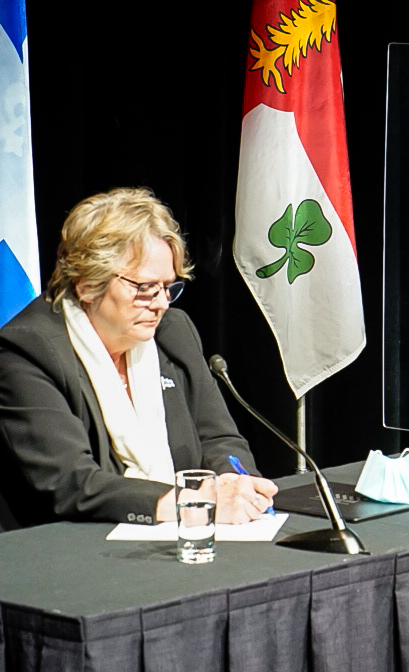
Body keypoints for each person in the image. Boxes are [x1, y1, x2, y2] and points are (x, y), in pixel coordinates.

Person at [0, 188, 278, 529]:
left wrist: (235, 484)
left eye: (168, 287)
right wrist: (192, 504)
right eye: (145, 288)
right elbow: (72, 482)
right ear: (87, 285)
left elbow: (220, 440)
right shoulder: (27, 351)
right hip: (77, 552)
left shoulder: (173, 332)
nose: (161, 303)